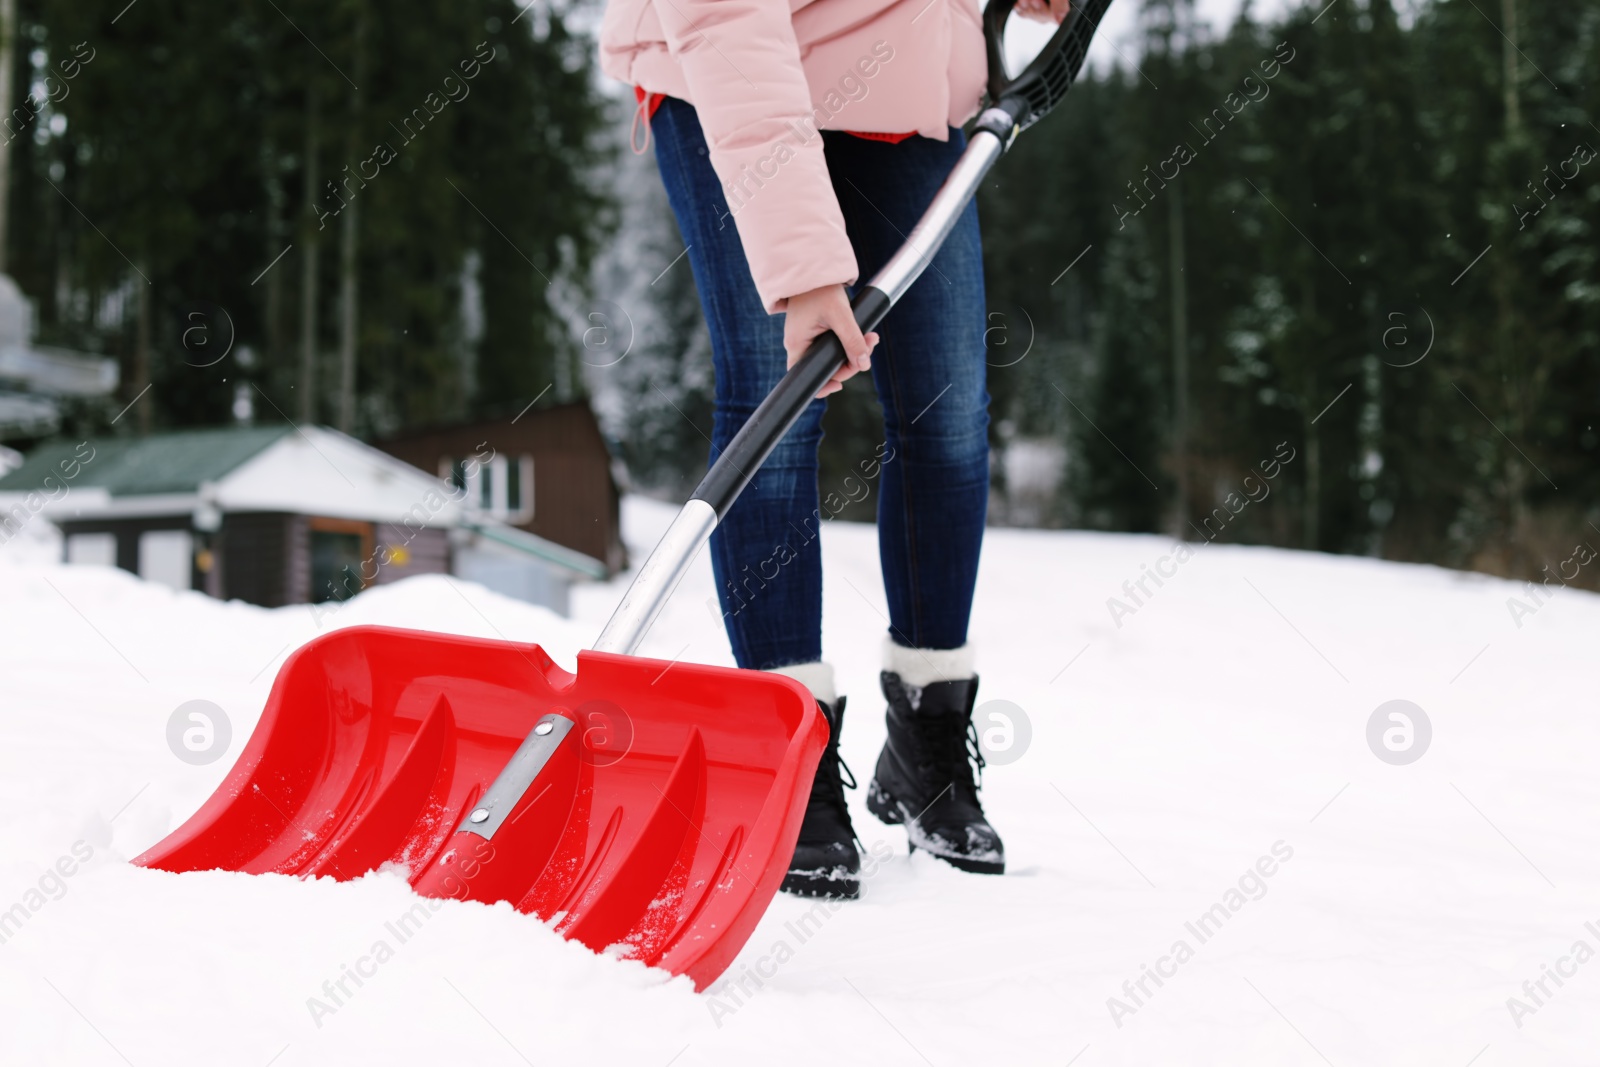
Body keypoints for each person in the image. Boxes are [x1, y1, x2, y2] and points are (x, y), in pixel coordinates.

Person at [599, 0, 1069, 900]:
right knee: (775, 409)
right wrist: (805, 270)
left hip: (903, 90)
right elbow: (731, 23)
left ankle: (926, 742)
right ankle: (786, 759)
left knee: (949, 414)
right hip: (730, 88)